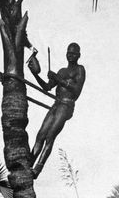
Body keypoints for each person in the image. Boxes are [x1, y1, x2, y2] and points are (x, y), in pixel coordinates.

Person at [27, 43, 85, 178]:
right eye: (68, 53)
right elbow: (47, 87)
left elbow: (76, 91)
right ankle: (29, 163)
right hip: (56, 104)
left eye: (73, 53)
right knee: (40, 135)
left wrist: (59, 80)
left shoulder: (80, 69)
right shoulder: (61, 71)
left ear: (79, 55)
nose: (70, 55)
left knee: (50, 136)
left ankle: (37, 170)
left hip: (67, 105)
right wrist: (35, 74)